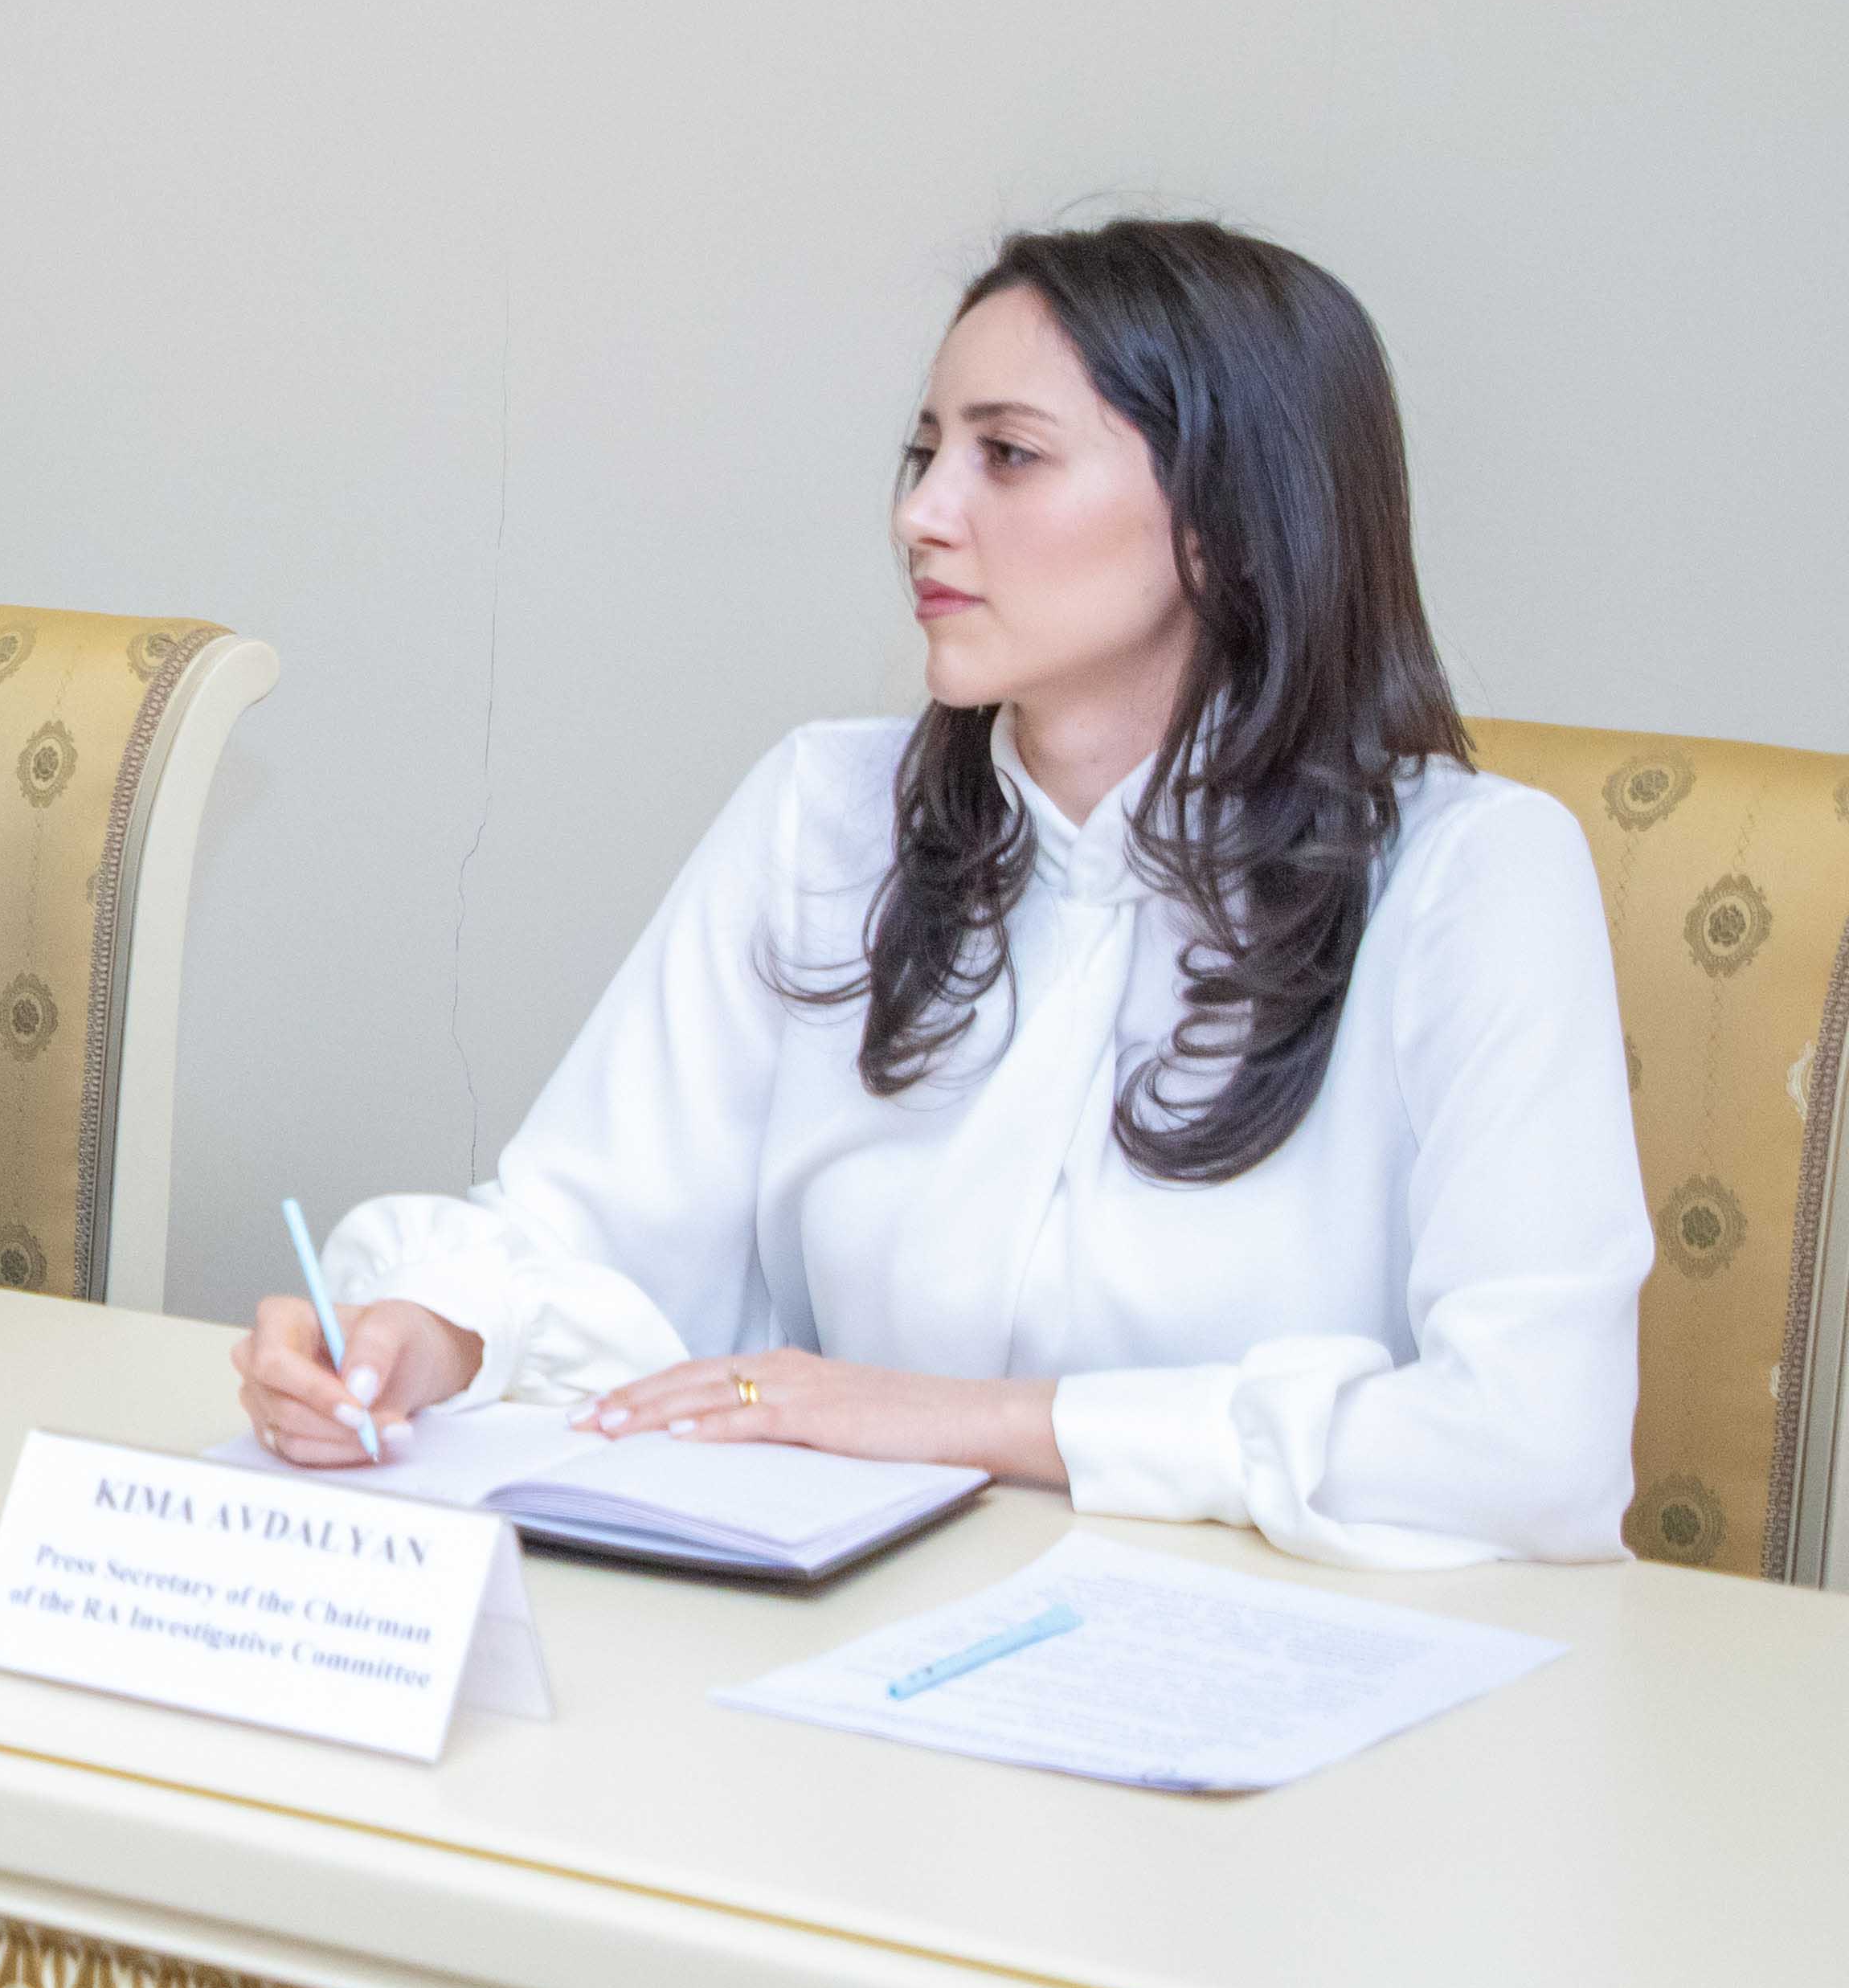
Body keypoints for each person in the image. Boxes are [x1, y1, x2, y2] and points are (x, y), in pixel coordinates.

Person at [238, 218, 1646, 1567]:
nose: (921, 514)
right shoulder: (827, 813)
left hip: (1283, 1674)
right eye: (925, 453)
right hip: (845, 1629)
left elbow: (1536, 1446)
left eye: (1008, 456)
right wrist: (427, 1335)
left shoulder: (1472, 881)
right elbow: (583, 1223)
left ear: (1224, 520)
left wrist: (957, 1424)